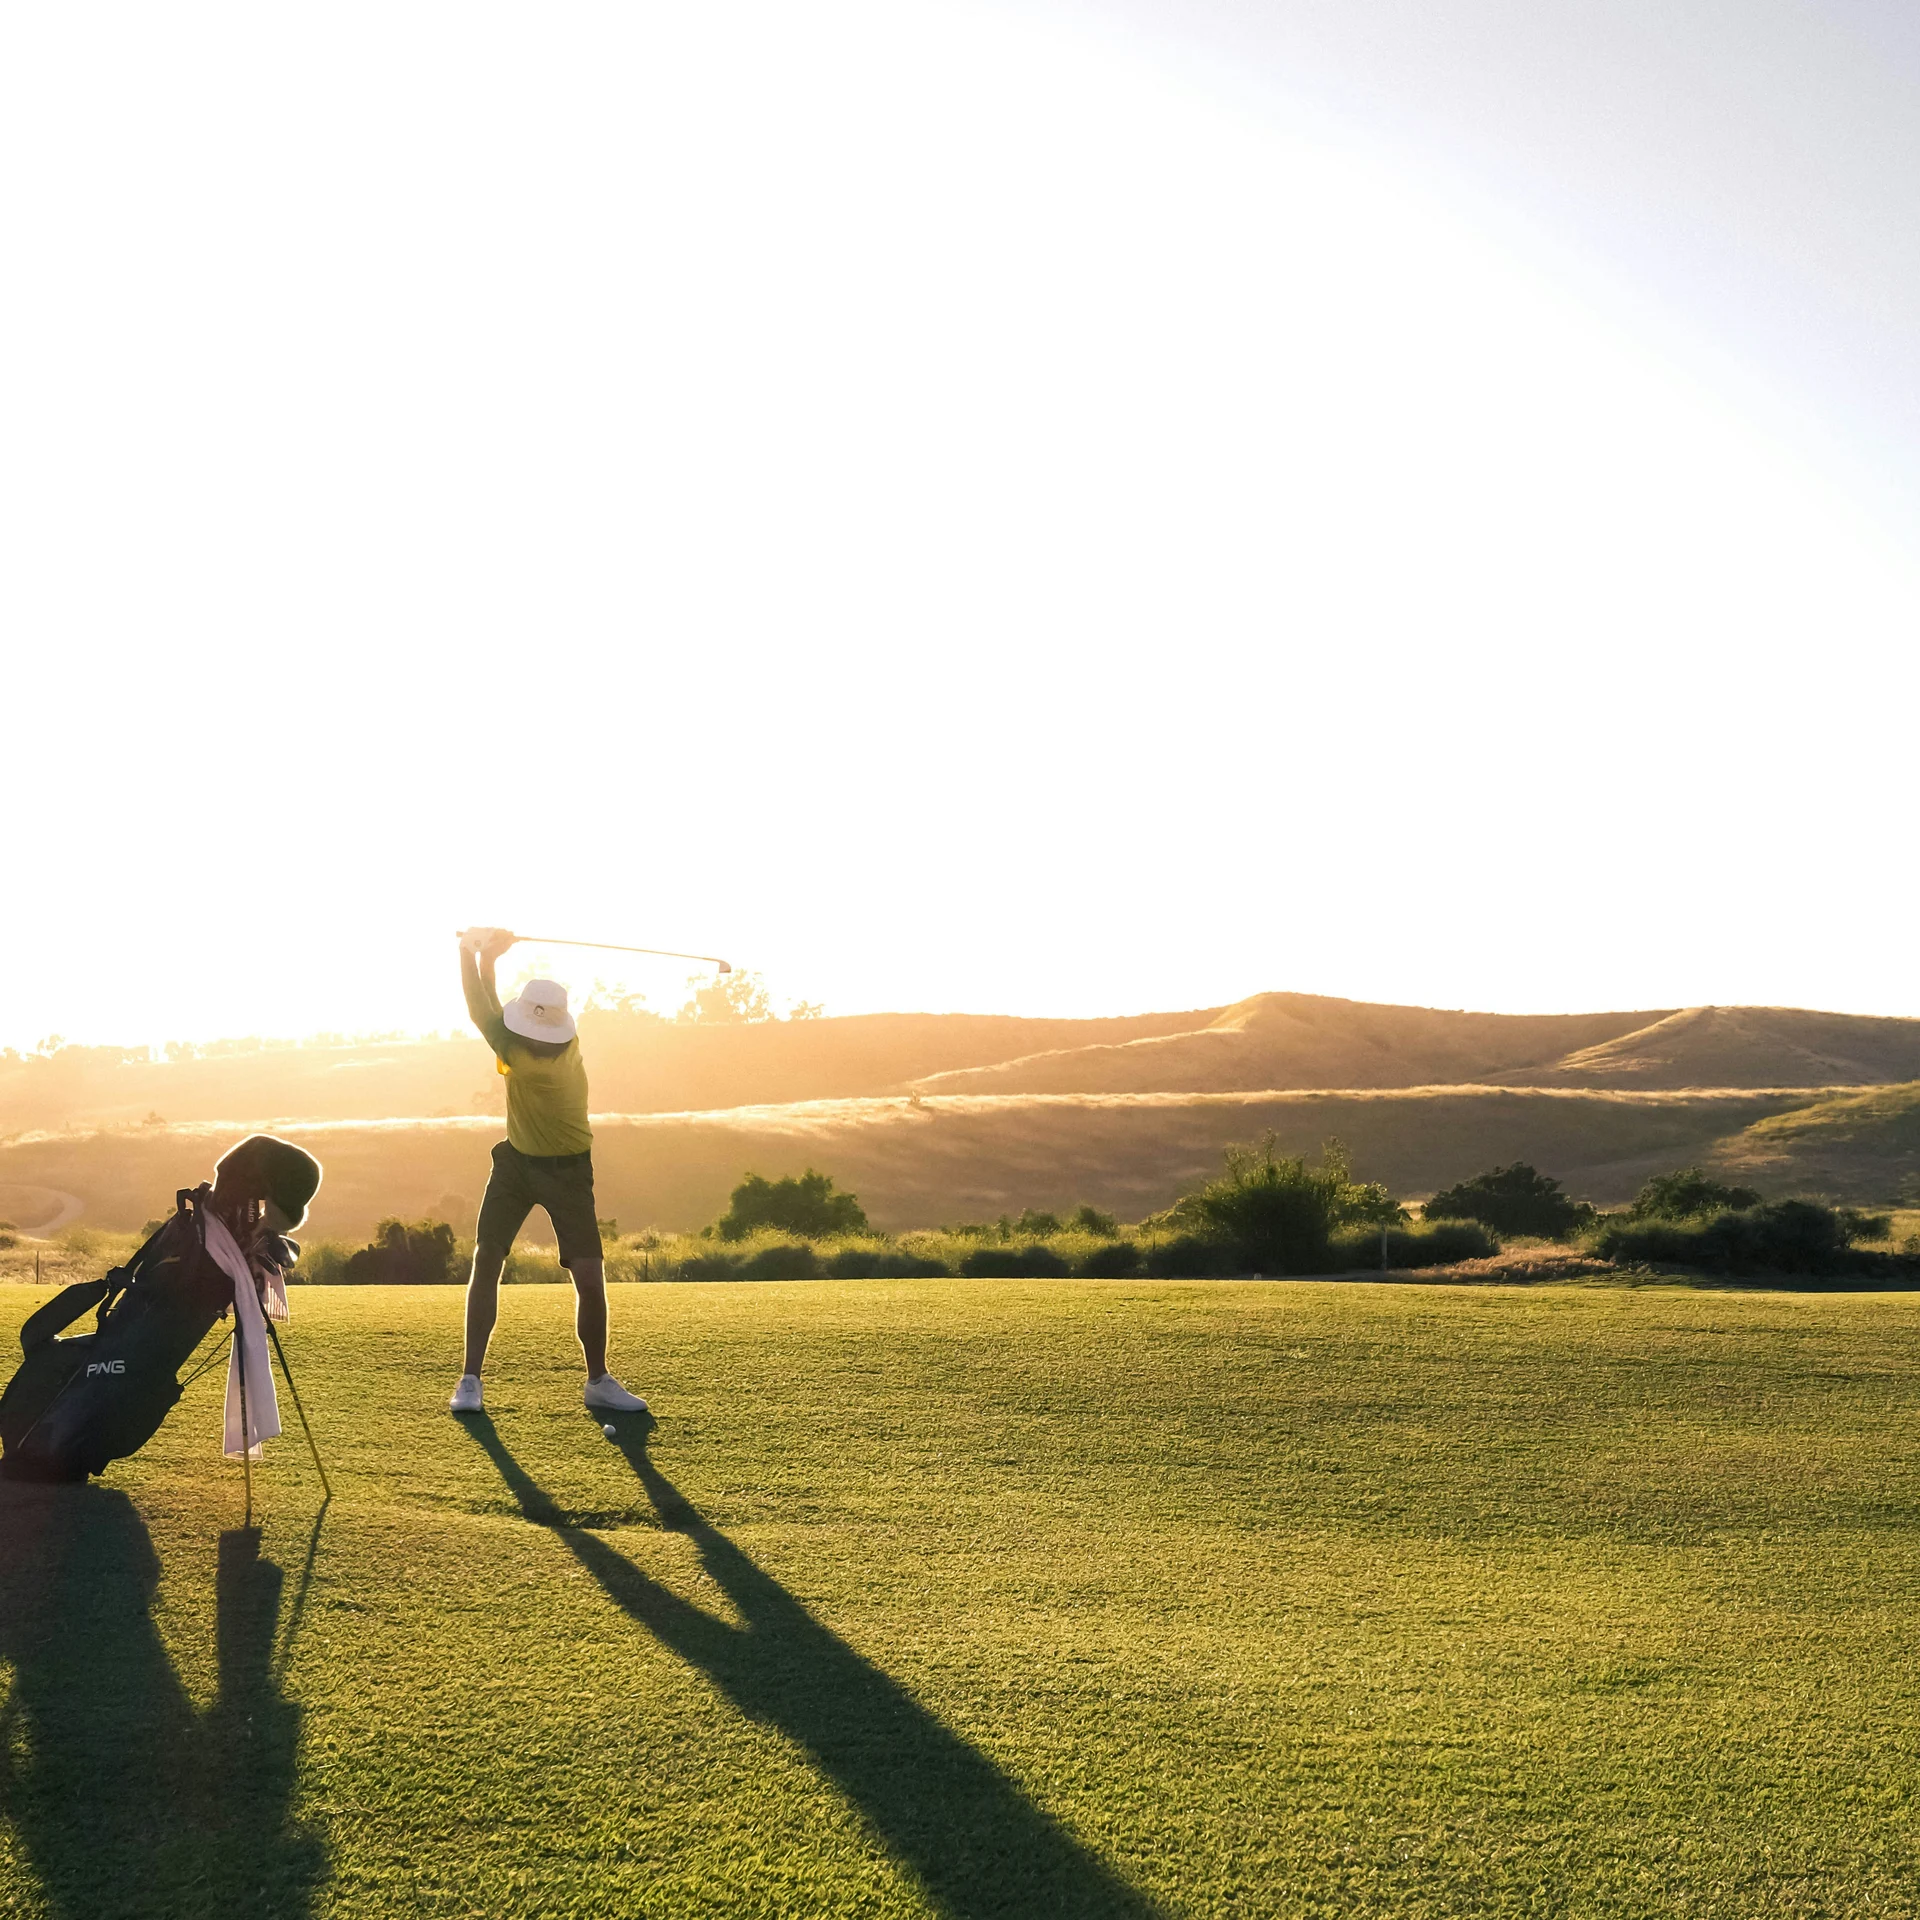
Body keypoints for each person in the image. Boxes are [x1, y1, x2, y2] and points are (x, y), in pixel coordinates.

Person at [448, 928, 648, 1417]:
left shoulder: (522, 1053)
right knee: (487, 1258)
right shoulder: (562, 1040)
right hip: (517, 1163)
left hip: (567, 1172)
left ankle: (598, 1381)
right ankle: (470, 1379)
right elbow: (490, 1010)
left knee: (588, 1275)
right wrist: (488, 958)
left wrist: (470, 952)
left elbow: (481, 1009)